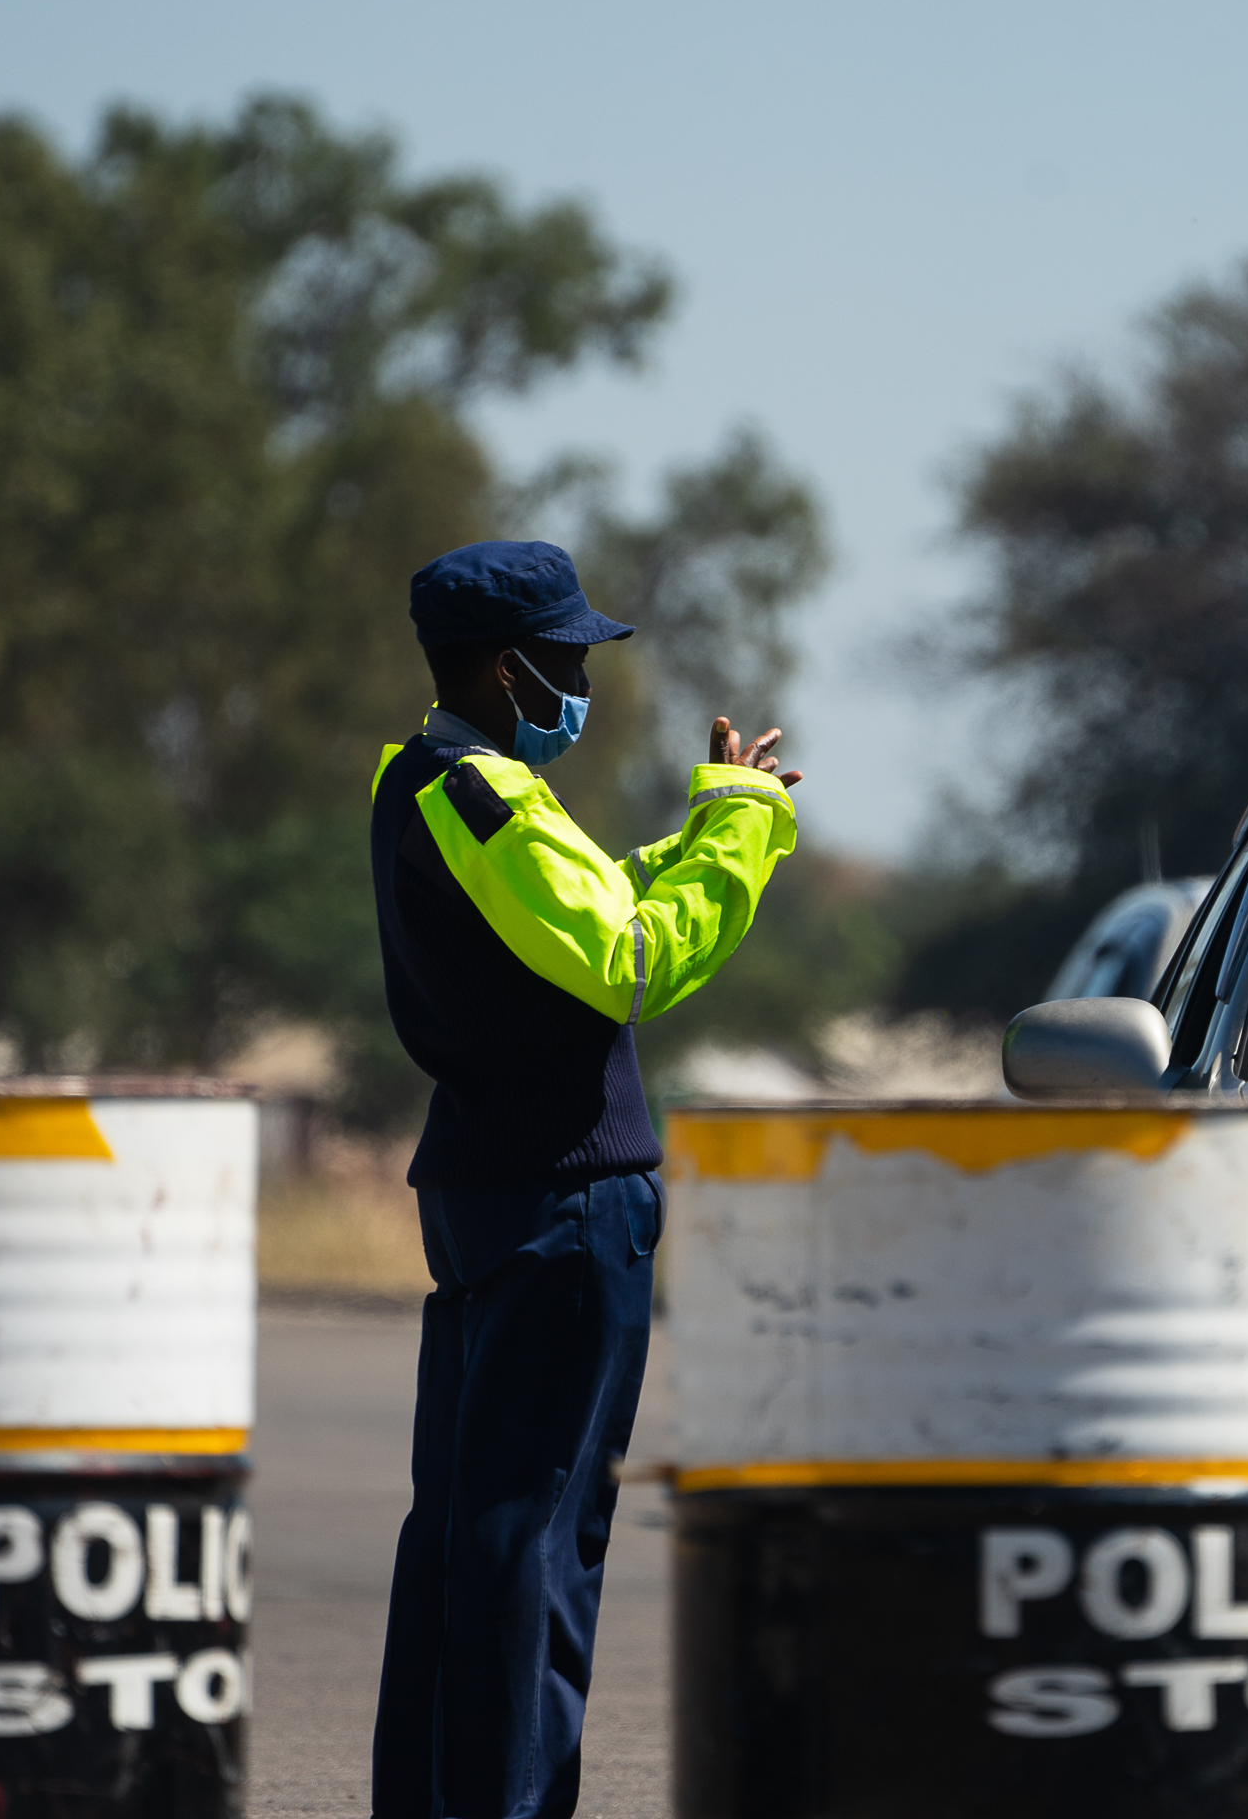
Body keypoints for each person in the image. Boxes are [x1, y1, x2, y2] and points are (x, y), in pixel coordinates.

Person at [367, 539, 801, 1819]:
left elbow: (590, 904)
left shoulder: (428, 782)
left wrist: (719, 820)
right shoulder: (488, 796)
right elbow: (623, 960)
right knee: (535, 1548)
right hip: (560, 1205)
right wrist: (742, 828)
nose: (582, 683)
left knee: (466, 1535)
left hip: (493, 1187)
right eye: (568, 659)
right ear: (507, 669)